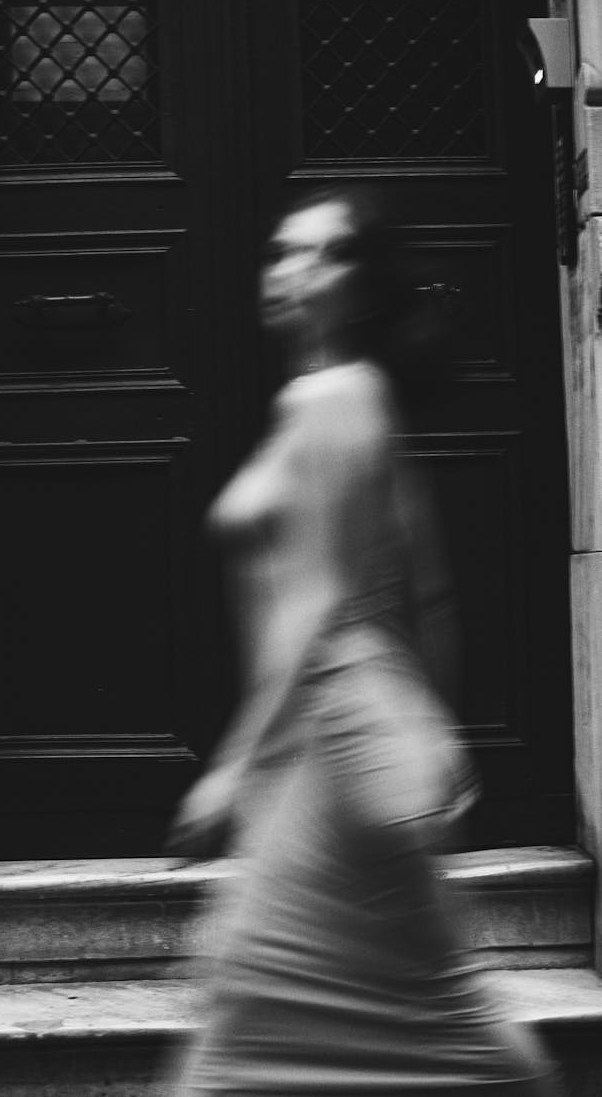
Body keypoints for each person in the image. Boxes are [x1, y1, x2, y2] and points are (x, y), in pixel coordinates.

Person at [167, 185, 560, 1096]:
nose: (291, 269)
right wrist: (427, 729)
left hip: (337, 750)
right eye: (281, 251)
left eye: (324, 253)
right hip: (334, 749)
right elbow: (426, 590)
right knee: (347, 1011)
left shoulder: (335, 398)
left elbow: (316, 602)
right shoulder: (337, 400)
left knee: (259, 1019)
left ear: (366, 287)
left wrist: (232, 766)